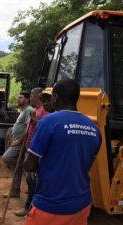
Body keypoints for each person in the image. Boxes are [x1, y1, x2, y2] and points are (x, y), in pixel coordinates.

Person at [24, 79, 102, 225]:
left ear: (56, 98)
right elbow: (86, 165)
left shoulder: (49, 121)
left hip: (50, 206)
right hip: (81, 206)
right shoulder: (95, 129)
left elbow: (29, 165)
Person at [14, 87, 49, 217]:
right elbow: (28, 128)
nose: (31, 99)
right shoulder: (35, 110)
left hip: (37, 152)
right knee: (30, 179)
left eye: (33, 97)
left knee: (32, 179)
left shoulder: (44, 112)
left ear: (37, 97)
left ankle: (31, 208)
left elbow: (47, 129)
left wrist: (35, 121)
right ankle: (30, 207)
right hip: (30, 148)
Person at [2, 91, 33, 198]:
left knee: (6, 158)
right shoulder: (23, 110)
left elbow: (28, 128)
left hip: (21, 143)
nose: (18, 99)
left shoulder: (29, 110)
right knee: (16, 166)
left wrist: (19, 141)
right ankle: (15, 191)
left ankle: (22, 164)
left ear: (27, 100)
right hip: (18, 141)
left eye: (20, 97)